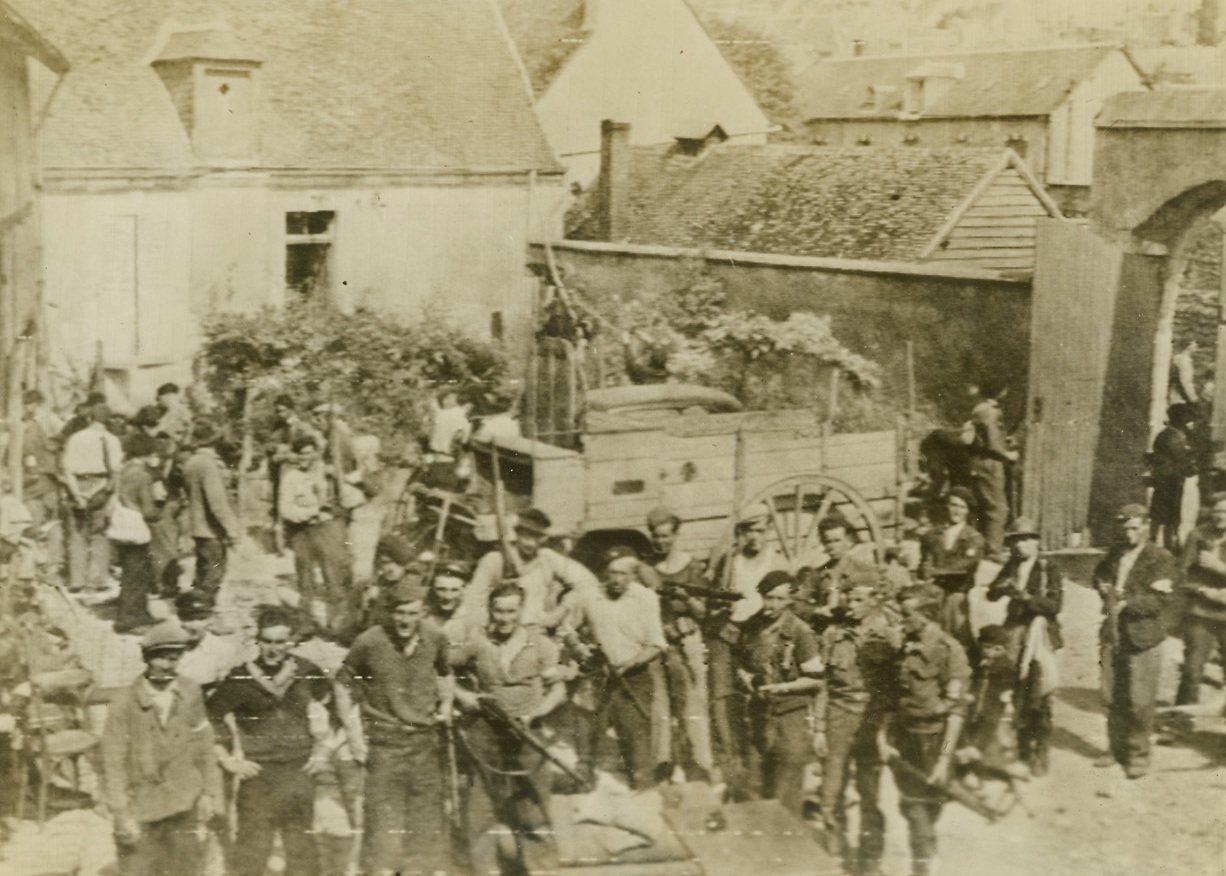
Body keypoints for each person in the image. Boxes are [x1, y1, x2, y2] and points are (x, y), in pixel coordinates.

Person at [335, 578, 455, 876]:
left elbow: (446, 673)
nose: (405, 620)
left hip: (425, 745)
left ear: (423, 613)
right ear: (390, 612)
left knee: (425, 822)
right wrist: (353, 737)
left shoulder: (435, 637)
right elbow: (342, 683)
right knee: (382, 828)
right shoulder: (370, 641)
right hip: (386, 746)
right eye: (399, 613)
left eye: (412, 613)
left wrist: (446, 705)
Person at [453, 583, 567, 875]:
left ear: (521, 611)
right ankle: (485, 869)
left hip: (529, 733)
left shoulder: (540, 643)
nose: (504, 618)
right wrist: (465, 697)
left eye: (511, 611)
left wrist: (535, 713)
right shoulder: (478, 642)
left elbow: (559, 690)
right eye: (499, 610)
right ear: (490, 610)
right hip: (486, 734)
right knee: (480, 808)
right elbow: (442, 667)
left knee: (533, 805)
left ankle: (540, 868)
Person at [209, 605, 331, 876]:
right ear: (258, 641)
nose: (273, 649)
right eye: (267, 641)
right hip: (259, 774)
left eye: (280, 642)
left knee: (301, 849)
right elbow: (210, 717)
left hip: (299, 771)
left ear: (291, 641)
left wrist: (323, 749)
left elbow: (333, 707)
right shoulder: (241, 676)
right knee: (252, 851)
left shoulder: (306, 671)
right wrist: (227, 759)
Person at [100, 621, 223, 876]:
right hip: (141, 809)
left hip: (183, 803)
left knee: (186, 870)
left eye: (175, 659)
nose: (169, 667)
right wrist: (121, 813)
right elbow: (112, 763)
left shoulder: (189, 692)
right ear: (147, 658)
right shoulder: (123, 703)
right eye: (162, 659)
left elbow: (205, 745)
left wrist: (210, 793)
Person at [877, 584, 972, 876]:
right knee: (912, 808)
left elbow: (955, 714)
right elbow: (893, 698)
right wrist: (882, 736)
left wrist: (944, 759)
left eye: (907, 614)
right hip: (905, 738)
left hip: (935, 740)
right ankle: (923, 862)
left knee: (928, 806)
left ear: (926, 615)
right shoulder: (903, 646)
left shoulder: (949, 650)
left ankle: (925, 856)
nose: (901, 621)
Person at [816, 582, 900, 873]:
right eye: (849, 598)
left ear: (874, 601)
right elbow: (823, 685)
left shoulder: (888, 637)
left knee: (869, 792)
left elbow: (893, 689)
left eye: (859, 599)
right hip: (838, 716)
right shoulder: (832, 634)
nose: (851, 604)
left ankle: (870, 859)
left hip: (871, 718)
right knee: (831, 788)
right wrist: (817, 728)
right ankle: (836, 849)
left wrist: (884, 731)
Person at [568, 549, 668, 789]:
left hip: (634, 677)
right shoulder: (589, 596)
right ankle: (583, 788)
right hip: (598, 676)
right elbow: (567, 629)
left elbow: (656, 644)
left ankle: (643, 790)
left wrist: (629, 664)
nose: (616, 580)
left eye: (623, 574)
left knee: (636, 741)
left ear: (634, 574)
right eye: (612, 573)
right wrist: (580, 650)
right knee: (588, 735)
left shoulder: (645, 598)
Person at [1092, 504, 1176, 779]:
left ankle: (1138, 753)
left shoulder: (1160, 557)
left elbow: (1159, 600)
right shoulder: (1116, 553)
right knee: (1112, 695)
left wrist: (1126, 602)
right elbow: (1099, 574)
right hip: (1114, 633)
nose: (1128, 534)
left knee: (1139, 701)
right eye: (1124, 528)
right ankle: (1114, 748)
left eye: (1133, 528)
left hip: (1144, 636)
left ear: (1146, 527)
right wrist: (1103, 586)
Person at [707, 505, 786, 783]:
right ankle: (729, 760)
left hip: (759, 636)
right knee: (722, 696)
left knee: (760, 696)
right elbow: (714, 596)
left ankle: (763, 760)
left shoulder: (776, 562)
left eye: (760, 530)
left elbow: (785, 602)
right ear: (741, 533)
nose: (755, 537)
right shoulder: (731, 561)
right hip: (730, 632)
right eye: (749, 530)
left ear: (768, 532)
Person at [736, 570, 822, 818]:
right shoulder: (752, 627)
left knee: (786, 791)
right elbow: (741, 662)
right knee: (753, 784)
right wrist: (745, 676)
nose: (771, 605)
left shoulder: (800, 632)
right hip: (759, 714)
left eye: (778, 599)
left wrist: (783, 688)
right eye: (767, 598)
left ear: (790, 601)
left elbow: (815, 681)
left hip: (789, 718)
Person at [985, 517, 1062, 776]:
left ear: (1036, 542)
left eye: (1026, 539)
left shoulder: (1047, 567)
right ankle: (1022, 747)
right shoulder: (1012, 565)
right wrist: (1002, 587)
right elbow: (991, 593)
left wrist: (1026, 597)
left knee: (1040, 692)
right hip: (1015, 633)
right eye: (1016, 541)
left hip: (1039, 634)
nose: (1021, 546)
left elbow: (1054, 605)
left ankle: (1040, 750)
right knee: (1016, 690)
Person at [647, 506, 715, 783]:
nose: (661, 541)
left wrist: (686, 598)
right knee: (661, 705)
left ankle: (700, 763)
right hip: (662, 642)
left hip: (688, 641)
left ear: (675, 535)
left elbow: (702, 612)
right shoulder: (650, 570)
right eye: (656, 536)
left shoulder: (691, 566)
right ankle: (665, 764)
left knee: (694, 704)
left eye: (666, 536)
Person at [462, 508, 599, 632]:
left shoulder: (547, 558)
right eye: (526, 536)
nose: (531, 543)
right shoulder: (495, 559)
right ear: (517, 533)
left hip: (536, 630)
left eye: (537, 537)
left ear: (543, 539)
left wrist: (559, 611)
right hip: (501, 629)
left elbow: (588, 581)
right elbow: (473, 600)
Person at [278, 434, 354, 634]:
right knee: (305, 580)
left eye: (309, 454)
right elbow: (286, 510)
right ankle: (305, 625)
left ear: (316, 454)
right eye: (301, 454)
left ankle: (337, 624)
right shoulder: (290, 478)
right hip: (303, 532)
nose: (305, 459)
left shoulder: (327, 473)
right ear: (295, 455)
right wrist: (313, 510)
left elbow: (347, 497)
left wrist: (337, 480)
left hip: (327, 530)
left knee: (333, 577)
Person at [61, 401, 123, 592]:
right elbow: (115, 472)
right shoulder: (112, 440)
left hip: (78, 484)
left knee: (77, 534)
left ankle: (77, 580)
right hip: (101, 487)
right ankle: (97, 580)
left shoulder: (75, 438)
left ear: (90, 418)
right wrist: (113, 498)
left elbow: (67, 470)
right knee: (100, 534)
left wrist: (77, 493)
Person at [919, 487, 985, 656]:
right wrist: (924, 569)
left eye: (962, 507)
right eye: (953, 505)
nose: (956, 511)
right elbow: (924, 562)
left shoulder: (973, 538)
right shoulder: (932, 535)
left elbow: (966, 565)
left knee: (956, 619)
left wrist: (934, 571)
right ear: (946, 506)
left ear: (968, 511)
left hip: (959, 590)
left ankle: (967, 661)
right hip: (935, 591)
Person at [182, 422, 241, 603]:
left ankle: (194, 609)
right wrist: (232, 529)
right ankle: (202, 612)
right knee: (214, 573)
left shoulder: (191, 462)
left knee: (202, 570)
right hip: (211, 529)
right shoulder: (209, 465)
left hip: (198, 525)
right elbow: (217, 503)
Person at [1177, 492, 1226, 705]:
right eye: (1216, 511)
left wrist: (1219, 567)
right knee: (1192, 671)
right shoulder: (1197, 536)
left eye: (1225, 511)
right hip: (1200, 613)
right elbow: (1181, 575)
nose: (1220, 516)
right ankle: (1181, 721)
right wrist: (1202, 592)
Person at [112, 433, 163, 634]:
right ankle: (129, 620)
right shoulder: (143, 475)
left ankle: (140, 613)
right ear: (147, 454)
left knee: (130, 572)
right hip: (136, 527)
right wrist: (159, 509)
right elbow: (148, 510)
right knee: (137, 574)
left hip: (121, 525)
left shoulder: (123, 470)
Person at [795, 515, 882, 628]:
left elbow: (875, 604)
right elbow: (795, 602)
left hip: (856, 630)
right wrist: (817, 611)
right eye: (828, 542)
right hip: (826, 630)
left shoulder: (865, 571)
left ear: (848, 540)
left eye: (837, 541)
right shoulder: (817, 574)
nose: (832, 546)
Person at [968, 380, 1017, 558]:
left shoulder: (979, 409)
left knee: (984, 507)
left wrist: (1005, 439)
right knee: (998, 509)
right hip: (990, 464)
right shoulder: (991, 412)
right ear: (1001, 391)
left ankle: (982, 549)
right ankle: (993, 552)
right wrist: (1008, 454)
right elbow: (993, 444)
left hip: (978, 463)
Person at [20, 389, 64, 556]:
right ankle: (49, 561)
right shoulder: (48, 420)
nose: (25, 408)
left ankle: (41, 559)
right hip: (49, 476)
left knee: (39, 518)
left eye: (27, 404)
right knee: (50, 518)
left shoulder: (38, 423)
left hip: (39, 476)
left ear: (34, 404)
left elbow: (29, 451)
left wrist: (31, 469)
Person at [174, 590, 245, 694]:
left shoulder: (222, 650)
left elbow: (223, 693)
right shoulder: (168, 645)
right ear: (179, 619)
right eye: (189, 619)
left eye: (201, 619)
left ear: (210, 619)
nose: (194, 626)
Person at [1149, 403, 1198, 551]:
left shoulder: (1165, 434)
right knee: (1170, 515)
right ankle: (1168, 545)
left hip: (1163, 479)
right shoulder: (1174, 437)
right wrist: (1194, 468)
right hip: (1171, 480)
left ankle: (1158, 543)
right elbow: (1183, 460)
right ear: (1181, 420)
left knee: (1159, 514)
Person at [154, 382, 193, 447]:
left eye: (160, 398)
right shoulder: (170, 411)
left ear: (169, 395)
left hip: (179, 447)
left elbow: (188, 432)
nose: (158, 401)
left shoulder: (182, 411)